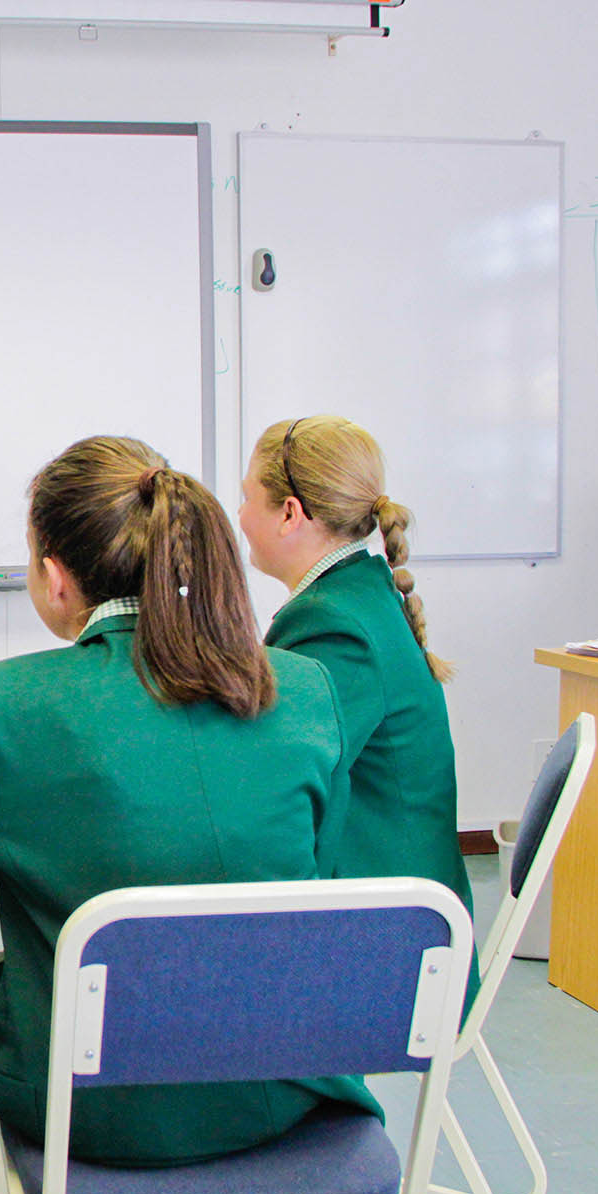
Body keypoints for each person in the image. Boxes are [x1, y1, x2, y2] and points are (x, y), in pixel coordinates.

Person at [0, 438, 374, 1194]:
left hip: (100, 1114)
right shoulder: (305, 691)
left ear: (55, 575)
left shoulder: (11, 705)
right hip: (280, 1088)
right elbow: (312, 880)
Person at [238, 417, 474, 999]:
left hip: (391, 947)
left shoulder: (332, 624)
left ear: (290, 513)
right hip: (405, 913)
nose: (239, 516)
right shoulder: (360, 593)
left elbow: (271, 777)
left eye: (246, 499)